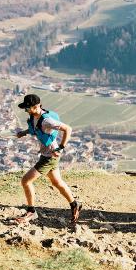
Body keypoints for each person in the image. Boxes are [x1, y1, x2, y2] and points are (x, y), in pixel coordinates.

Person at [13, 93, 82, 225]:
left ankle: (31, 212)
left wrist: (61, 147)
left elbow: (68, 129)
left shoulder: (47, 120)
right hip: (47, 155)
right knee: (57, 182)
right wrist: (24, 133)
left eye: (27, 108)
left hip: (49, 157)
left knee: (26, 181)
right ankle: (75, 204)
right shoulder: (34, 116)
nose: (26, 110)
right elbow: (35, 128)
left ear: (36, 106)